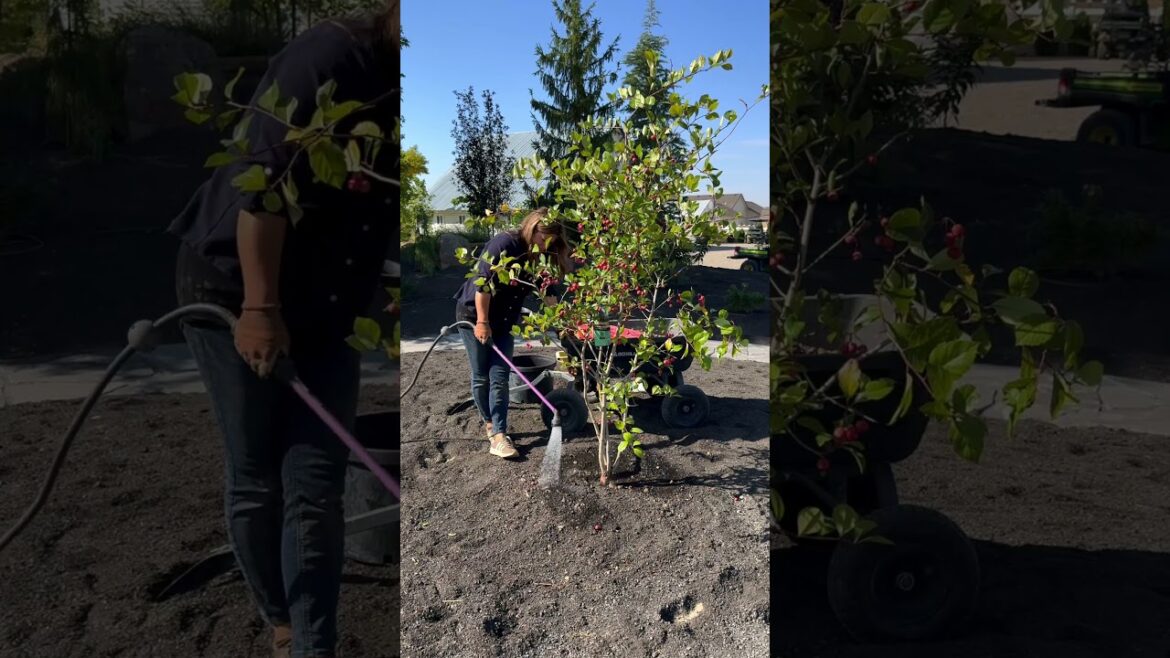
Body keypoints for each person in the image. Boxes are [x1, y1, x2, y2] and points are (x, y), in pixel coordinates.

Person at [167, 3, 399, 657]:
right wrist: (262, 310)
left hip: (328, 301)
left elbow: (379, 198)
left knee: (316, 482)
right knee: (257, 472)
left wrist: (389, 283)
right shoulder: (330, 59)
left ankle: (312, 645)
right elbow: (262, 190)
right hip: (237, 286)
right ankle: (281, 620)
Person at [454, 208, 571, 459]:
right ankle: (488, 422)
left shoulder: (541, 256)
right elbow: (482, 284)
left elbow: (548, 293)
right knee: (481, 376)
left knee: (499, 376)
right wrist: (483, 322)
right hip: (474, 315)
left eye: (552, 240)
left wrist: (562, 326)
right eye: (544, 237)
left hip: (505, 320)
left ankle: (498, 434)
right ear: (532, 228)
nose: (546, 243)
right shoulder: (505, 244)